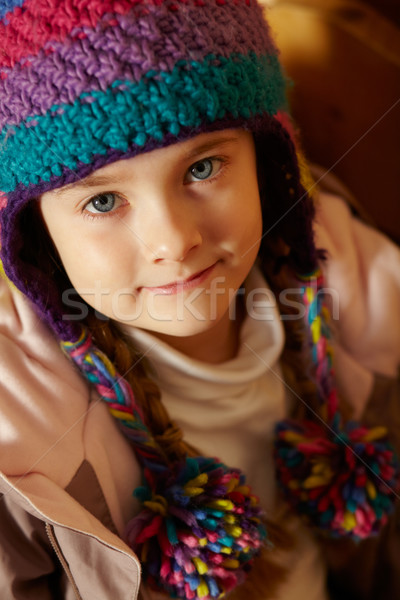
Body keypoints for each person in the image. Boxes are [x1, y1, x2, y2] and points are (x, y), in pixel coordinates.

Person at [0, 1, 399, 599]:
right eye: (103, 203)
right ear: (36, 231)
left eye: (204, 166)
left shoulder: (354, 272)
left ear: (265, 161)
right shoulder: (20, 437)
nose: (173, 241)